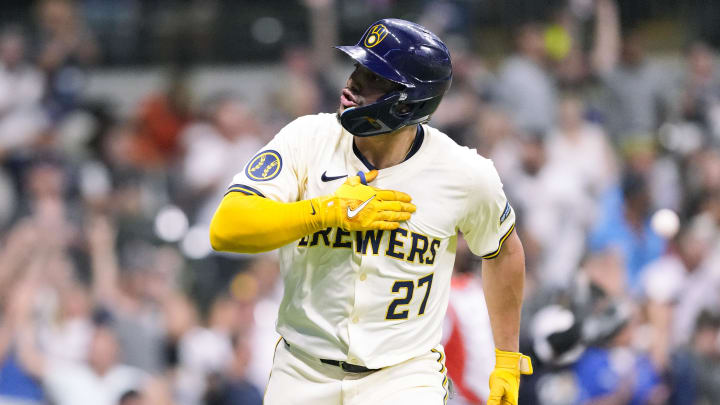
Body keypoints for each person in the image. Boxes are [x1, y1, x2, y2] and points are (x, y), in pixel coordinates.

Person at [210, 18, 532, 405]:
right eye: (357, 68)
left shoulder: (465, 173)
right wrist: (324, 212)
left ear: (411, 101)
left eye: (376, 76)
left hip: (404, 376)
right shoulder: (306, 138)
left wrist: (506, 357)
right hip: (303, 369)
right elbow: (225, 228)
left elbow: (504, 252)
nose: (353, 83)